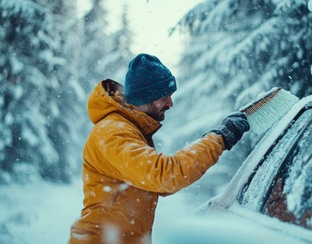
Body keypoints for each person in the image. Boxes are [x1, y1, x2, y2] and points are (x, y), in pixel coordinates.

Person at [69, 53, 249, 244]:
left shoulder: (129, 129)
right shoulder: (114, 132)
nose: (170, 103)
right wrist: (218, 139)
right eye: (164, 97)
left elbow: (158, 182)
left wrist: (214, 139)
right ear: (145, 97)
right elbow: (163, 175)